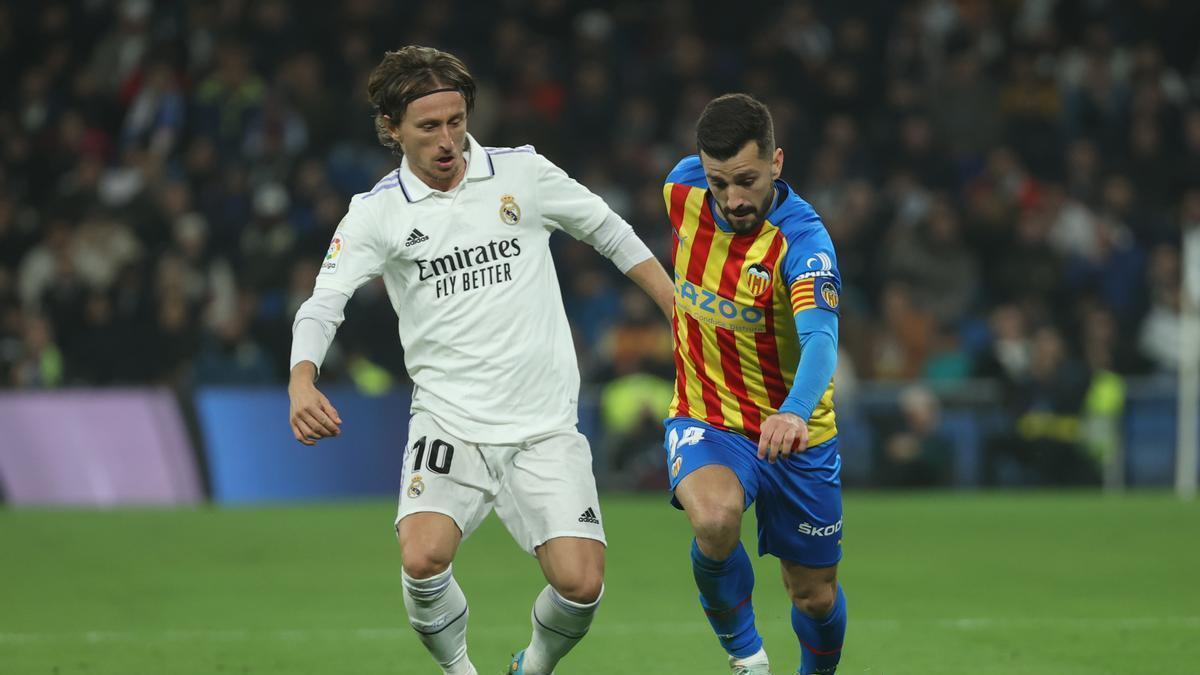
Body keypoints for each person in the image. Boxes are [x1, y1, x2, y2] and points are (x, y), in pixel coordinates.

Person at [286, 46, 674, 675]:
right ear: (392, 128)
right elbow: (323, 303)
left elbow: (610, 230)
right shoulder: (377, 212)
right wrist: (303, 381)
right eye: (429, 127)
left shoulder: (521, 173)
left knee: (581, 583)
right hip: (451, 421)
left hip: (544, 422)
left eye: (457, 121)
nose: (448, 141)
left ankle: (534, 666)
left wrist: (675, 308)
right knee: (422, 557)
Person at [662, 94, 848, 675]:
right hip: (707, 417)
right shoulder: (680, 191)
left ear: (777, 162)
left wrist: (792, 412)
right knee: (715, 520)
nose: (733, 198)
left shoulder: (805, 244)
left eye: (746, 180)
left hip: (797, 433)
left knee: (813, 596)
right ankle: (747, 656)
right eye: (719, 183)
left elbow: (821, 340)